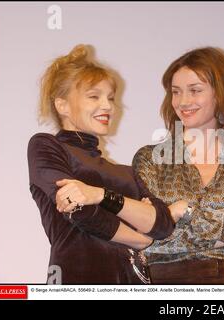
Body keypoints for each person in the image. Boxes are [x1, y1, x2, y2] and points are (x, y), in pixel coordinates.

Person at [27, 44, 179, 284]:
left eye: (110, 98)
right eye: (94, 96)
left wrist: (97, 194)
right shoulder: (47, 146)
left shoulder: (128, 173)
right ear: (62, 105)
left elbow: (162, 224)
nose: (108, 106)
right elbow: (76, 208)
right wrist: (139, 238)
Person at [132, 47, 224, 284]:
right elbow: (151, 241)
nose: (183, 102)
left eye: (195, 90)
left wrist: (184, 212)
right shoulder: (150, 159)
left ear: (221, 94)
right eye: (176, 92)